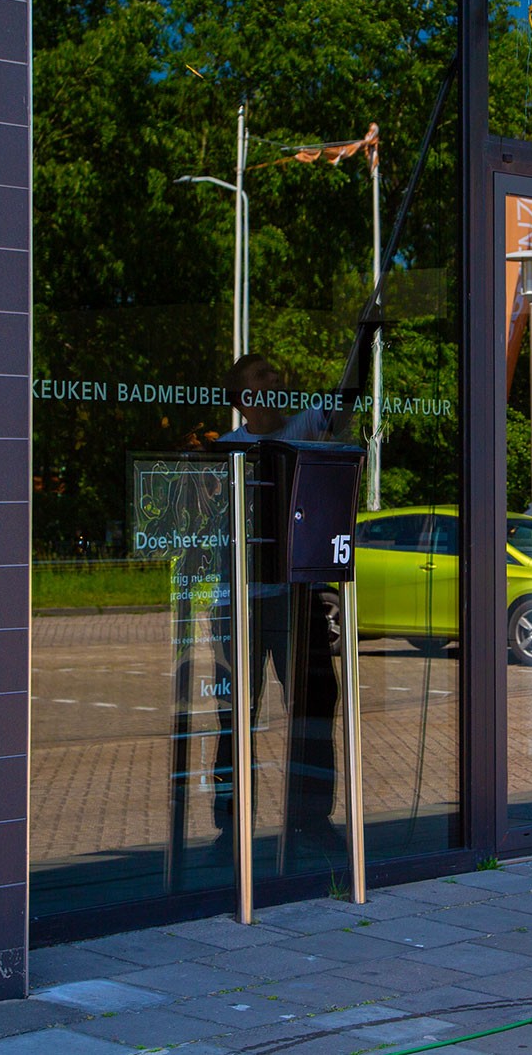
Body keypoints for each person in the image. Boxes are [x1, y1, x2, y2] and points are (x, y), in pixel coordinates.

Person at [211, 353, 342, 857]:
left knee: (313, 707)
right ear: (245, 396)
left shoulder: (303, 424)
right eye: (263, 374)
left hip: (294, 602)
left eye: (277, 372)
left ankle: (312, 818)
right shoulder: (227, 451)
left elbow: (342, 399)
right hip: (239, 607)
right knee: (235, 715)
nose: (276, 378)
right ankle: (232, 823)